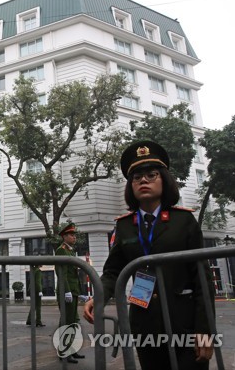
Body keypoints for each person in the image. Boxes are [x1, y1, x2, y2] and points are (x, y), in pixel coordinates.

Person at [83, 140, 214, 370]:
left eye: (152, 174)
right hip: (145, 325)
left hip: (184, 324)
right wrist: (99, 296)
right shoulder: (124, 226)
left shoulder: (183, 221)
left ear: (165, 180)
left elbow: (202, 279)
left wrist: (205, 330)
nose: (143, 180)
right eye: (136, 177)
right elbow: (113, 271)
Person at [55, 222, 85, 363]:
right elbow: (62, 273)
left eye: (74, 235)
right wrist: (66, 291)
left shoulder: (70, 251)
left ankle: (71, 349)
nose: (74, 237)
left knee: (72, 322)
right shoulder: (61, 250)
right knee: (66, 322)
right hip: (66, 291)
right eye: (71, 235)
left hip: (73, 290)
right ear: (64, 236)